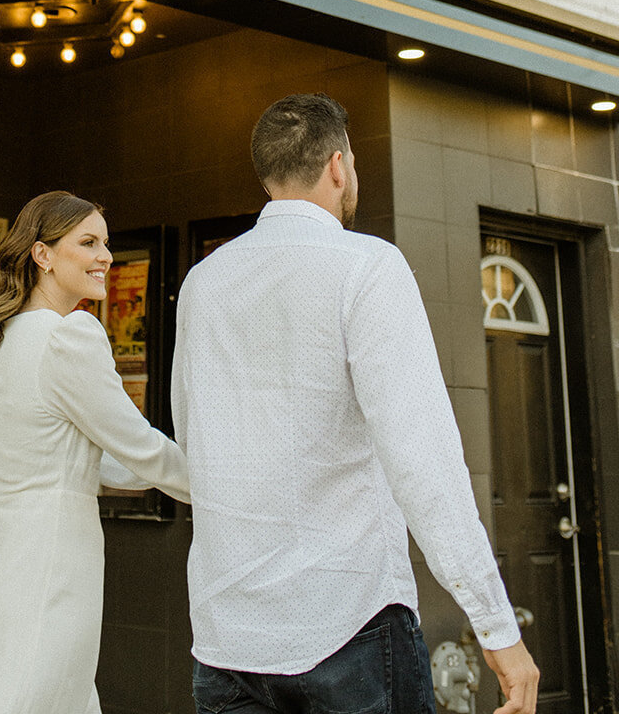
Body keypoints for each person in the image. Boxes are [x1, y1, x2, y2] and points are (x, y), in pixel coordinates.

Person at [171, 93, 540, 714]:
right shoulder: (367, 266)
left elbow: (193, 438)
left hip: (227, 630)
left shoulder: (204, 281)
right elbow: (423, 459)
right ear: (338, 165)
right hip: (347, 621)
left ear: (268, 174)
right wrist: (496, 627)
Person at [0, 190, 189, 714]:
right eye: (88, 242)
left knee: (14, 694)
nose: (105, 256)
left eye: (105, 243)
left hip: (5, 560)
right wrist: (233, 487)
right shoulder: (70, 337)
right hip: (57, 564)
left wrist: (157, 472)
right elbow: (143, 448)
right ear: (43, 255)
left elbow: (94, 462)